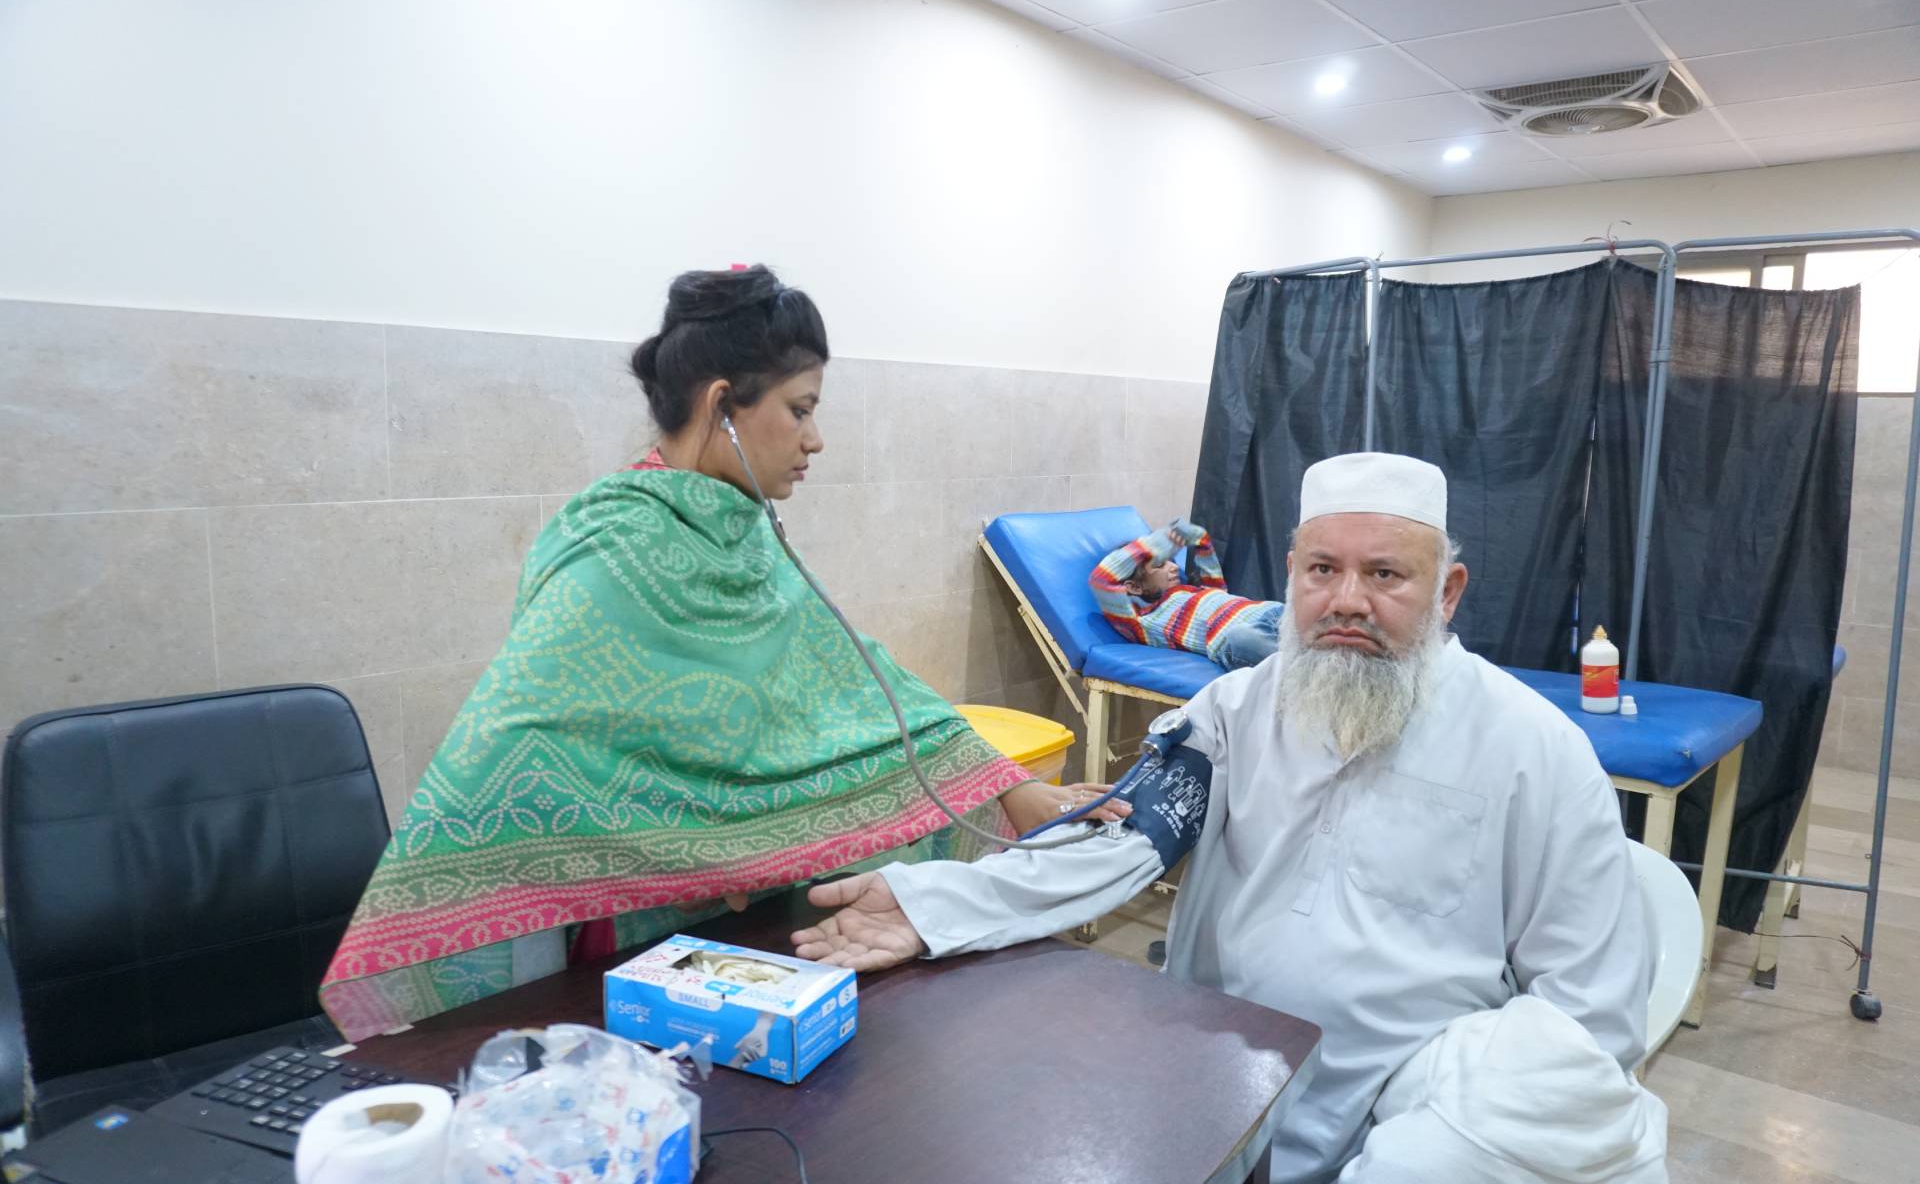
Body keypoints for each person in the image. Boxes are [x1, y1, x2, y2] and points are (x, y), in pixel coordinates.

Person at [794, 453, 1666, 1183]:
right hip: (1220, 1070)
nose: (1348, 600)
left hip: (1406, 1104)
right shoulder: (1230, 712)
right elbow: (1114, 847)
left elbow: (1590, 1008)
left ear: (1448, 593)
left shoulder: (1535, 752)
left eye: (1386, 574)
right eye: (1322, 570)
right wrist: (934, 903)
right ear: (1292, 576)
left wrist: (1441, 1142)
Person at [319, 266, 1125, 1040]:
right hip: (634, 959)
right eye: (800, 409)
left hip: (762, 939)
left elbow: (857, 685)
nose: (817, 439)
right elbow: (523, 749)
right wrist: (714, 845)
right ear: (722, 406)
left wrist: (1008, 787)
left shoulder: (743, 535)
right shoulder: (612, 548)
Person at [1089, 518, 1285, 669]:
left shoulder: (1189, 592)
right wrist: (1156, 544)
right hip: (1242, 640)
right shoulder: (1141, 622)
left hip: (1272, 614)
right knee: (1241, 637)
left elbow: (1218, 589)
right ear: (1135, 587)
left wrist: (1202, 542)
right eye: (1160, 565)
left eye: (1171, 560)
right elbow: (1101, 579)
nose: (1174, 567)